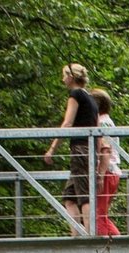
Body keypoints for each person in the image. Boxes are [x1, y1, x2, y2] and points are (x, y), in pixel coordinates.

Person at [43, 64, 99, 235]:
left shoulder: (76, 94)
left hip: (80, 149)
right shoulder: (90, 98)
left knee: (84, 194)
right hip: (88, 148)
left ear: (71, 77)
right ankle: (76, 234)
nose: (63, 79)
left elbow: (67, 123)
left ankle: (90, 235)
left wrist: (52, 148)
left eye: (64, 76)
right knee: (69, 196)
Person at [90, 89, 121, 237]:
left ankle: (119, 247)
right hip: (109, 171)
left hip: (107, 171)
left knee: (98, 216)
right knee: (99, 215)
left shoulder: (103, 123)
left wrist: (100, 175)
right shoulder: (106, 122)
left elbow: (106, 150)